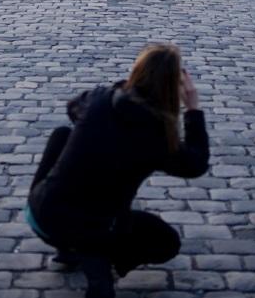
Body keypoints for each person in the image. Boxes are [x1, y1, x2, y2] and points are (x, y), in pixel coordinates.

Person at [26, 44, 209, 298]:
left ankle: (72, 250)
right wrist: (193, 109)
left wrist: (123, 92)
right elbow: (196, 164)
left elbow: (73, 109)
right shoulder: (157, 136)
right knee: (166, 242)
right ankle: (105, 265)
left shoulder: (101, 97)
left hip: (42, 215)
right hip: (93, 228)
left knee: (62, 135)